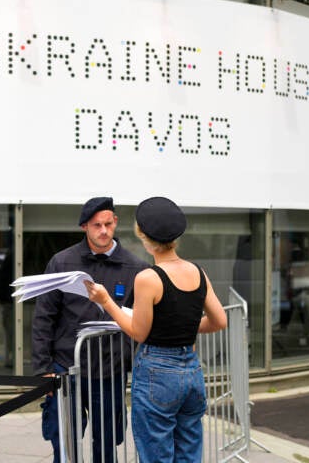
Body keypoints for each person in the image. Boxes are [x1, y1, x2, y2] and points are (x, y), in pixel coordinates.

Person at [85, 197, 228, 463]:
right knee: (189, 452)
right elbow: (220, 321)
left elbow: (138, 332)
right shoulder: (198, 271)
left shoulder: (148, 278)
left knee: (156, 455)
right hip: (191, 370)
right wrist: (180, 325)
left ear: (142, 235)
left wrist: (106, 302)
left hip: (157, 372)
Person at [32, 197, 148, 463]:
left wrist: (134, 363)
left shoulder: (136, 268)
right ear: (85, 226)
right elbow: (43, 318)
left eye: (108, 223)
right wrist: (43, 368)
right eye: (97, 225)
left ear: (116, 222)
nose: (104, 230)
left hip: (110, 370)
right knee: (64, 444)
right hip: (65, 368)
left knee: (107, 445)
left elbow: (143, 321)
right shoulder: (62, 263)